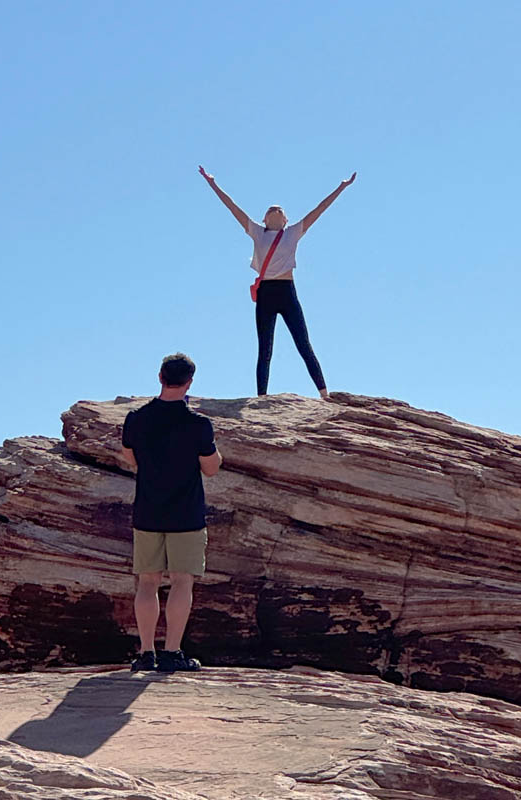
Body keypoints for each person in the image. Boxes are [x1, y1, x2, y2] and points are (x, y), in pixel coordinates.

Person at [199, 165, 356, 398]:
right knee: (265, 349)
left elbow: (319, 209)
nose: (275, 209)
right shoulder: (256, 232)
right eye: (271, 209)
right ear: (264, 219)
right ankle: (261, 397)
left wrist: (341, 187)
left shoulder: (293, 232)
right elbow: (232, 208)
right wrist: (212, 184)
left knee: (304, 344)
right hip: (266, 293)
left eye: (280, 210)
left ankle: (324, 394)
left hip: (286, 291)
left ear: (285, 221)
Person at [120, 353, 222, 673]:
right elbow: (211, 468)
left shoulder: (136, 418)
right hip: (186, 513)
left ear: (160, 377)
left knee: (147, 583)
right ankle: (172, 653)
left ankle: (146, 653)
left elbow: (129, 458)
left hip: (148, 510)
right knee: (181, 582)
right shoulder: (198, 424)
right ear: (189, 382)